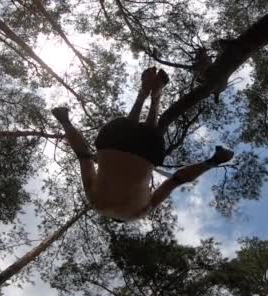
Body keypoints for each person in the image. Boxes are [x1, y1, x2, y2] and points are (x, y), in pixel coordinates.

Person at [52, 67, 234, 222]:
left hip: (145, 153)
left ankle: (155, 97)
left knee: (148, 133)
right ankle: (144, 94)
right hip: (112, 146)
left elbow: (176, 179)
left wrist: (212, 161)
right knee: (127, 127)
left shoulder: (139, 213)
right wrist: (65, 122)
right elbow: (84, 157)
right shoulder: (95, 203)